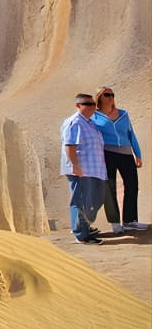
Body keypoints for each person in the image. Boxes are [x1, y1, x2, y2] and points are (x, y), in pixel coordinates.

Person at [91, 87, 147, 233]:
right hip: (107, 154)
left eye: (112, 94)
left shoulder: (123, 114)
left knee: (132, 185)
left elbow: (131, 134)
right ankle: (115, 222)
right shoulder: (94, 116)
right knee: (109, 188)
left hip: (126, 154)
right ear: (99, 98)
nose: (111, 97)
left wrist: (138, 154)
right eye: (107, 94)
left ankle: (130, 220)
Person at [60, 93, 107, 244]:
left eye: (92, 104)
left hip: (94, 170)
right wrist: (75, 166)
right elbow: (70, 146)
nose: (91, 107)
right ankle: (81, 235)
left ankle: (84, 227)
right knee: (80, 201)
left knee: (96, 199)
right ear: (78, 106)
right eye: (86, 104)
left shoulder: (90, 122)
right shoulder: (75, 122)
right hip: (81, 170)